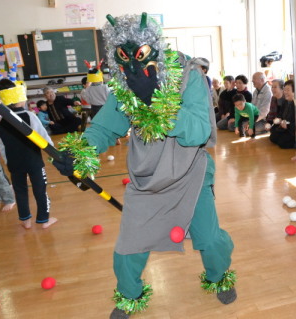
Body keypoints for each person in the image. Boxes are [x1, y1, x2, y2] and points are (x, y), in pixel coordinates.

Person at [52, 13, 236, 319]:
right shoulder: (124, 85)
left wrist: (154, 99)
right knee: (129, 248)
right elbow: (104, 128)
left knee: (210, 240)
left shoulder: (188, 75)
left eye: (139, 56)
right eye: (124, 59)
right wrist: (80, 152)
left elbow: (199, 132)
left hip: (191, 173)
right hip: (147, 178)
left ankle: (219, 276)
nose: (132, 68)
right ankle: (129, 296)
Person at [0, 79, 57, 229]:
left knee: (20, 190)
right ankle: (44, 220)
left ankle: (25, 220)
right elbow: (43, 137)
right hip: (33, 161)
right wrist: (54, 152)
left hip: (14, 163)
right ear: (19, 98)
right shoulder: (30, 116)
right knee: (40, 189)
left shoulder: (1, 122)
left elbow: (2, 146)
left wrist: (8, 162)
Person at [269, 79, 296, 148]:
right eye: (284, 90)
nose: (285, 92)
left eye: (288, 90)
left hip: (292, 129)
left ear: (294, 91)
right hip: (284, 126)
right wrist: (279, 119)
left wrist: (288, 126)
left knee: (282, 143)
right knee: (273, 137)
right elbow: (280, 114)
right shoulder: (285, 102)